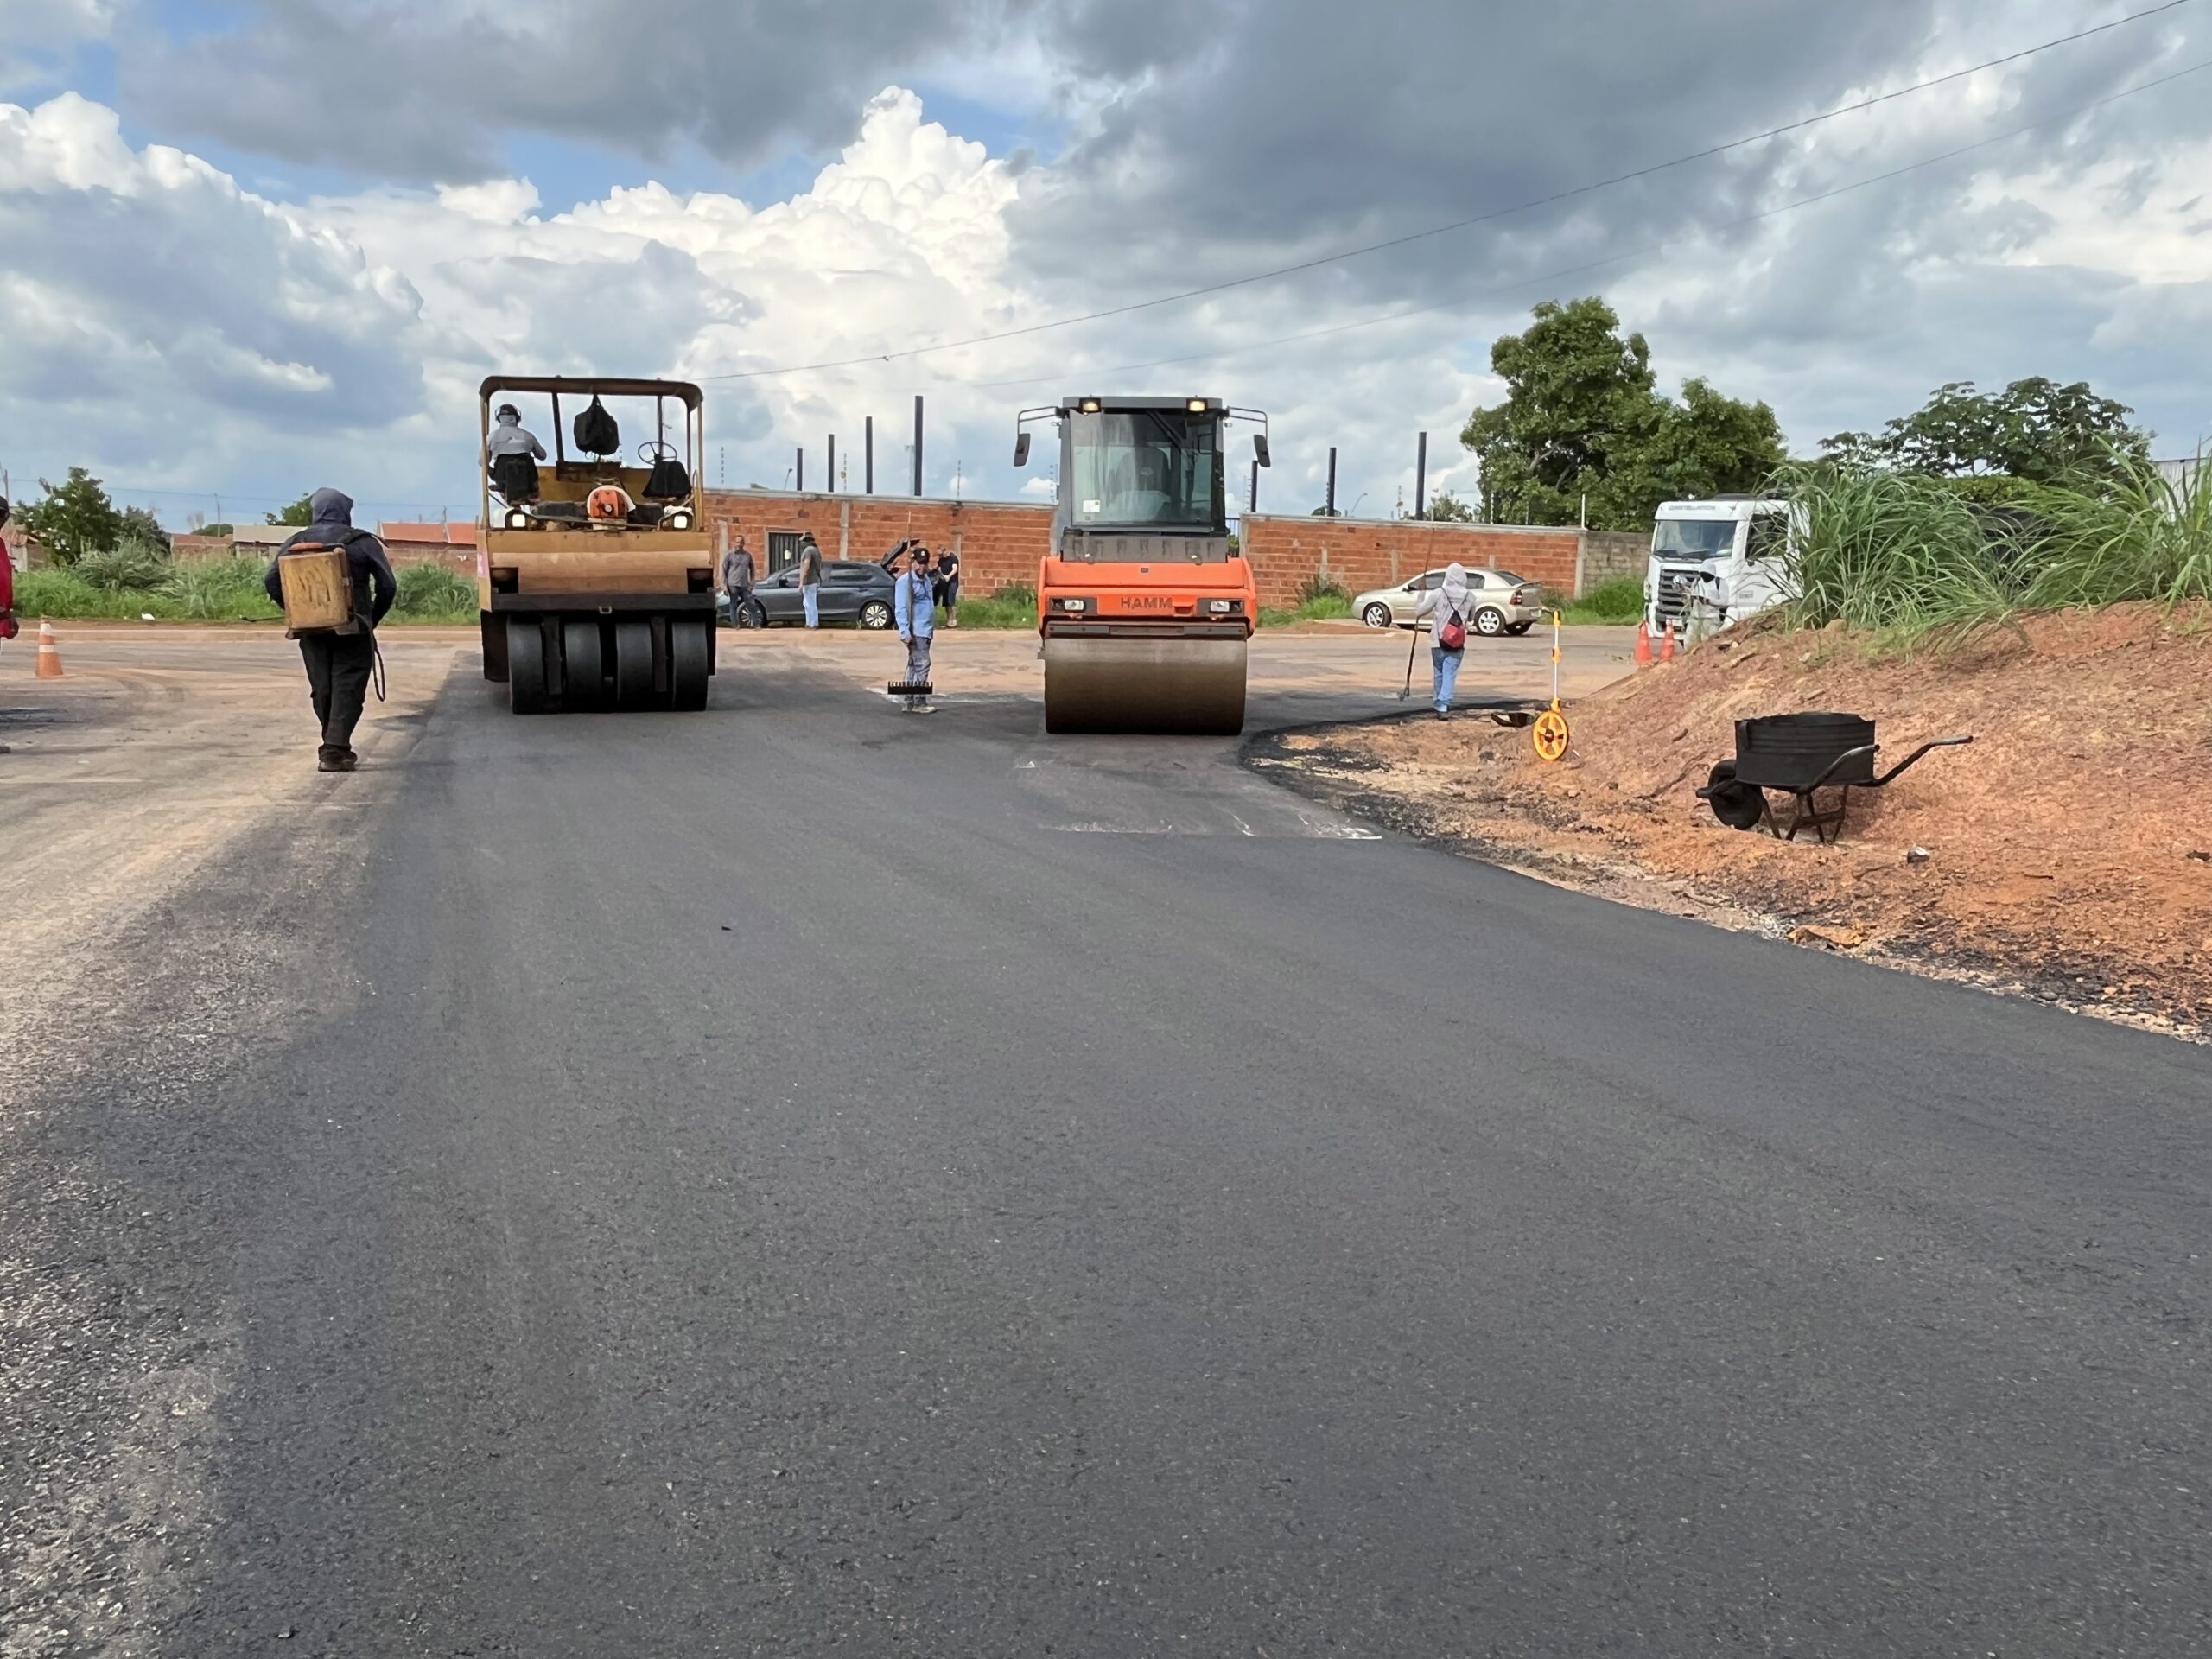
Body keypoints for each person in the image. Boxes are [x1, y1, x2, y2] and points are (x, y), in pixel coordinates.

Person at [261, 488, 396, 772]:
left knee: (322, 686)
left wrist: (298, 611)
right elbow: (388, 585)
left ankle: (332, 744)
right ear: (344, 511)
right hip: (353, 627)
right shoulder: (362, 542)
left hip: (309, 629)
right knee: (347, 684)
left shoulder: (294, 541)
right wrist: (371, 618)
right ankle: (334, 750)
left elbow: (271, 580)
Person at [1413, 562, 1473, 720]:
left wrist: (1420, 594)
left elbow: (1419, 611)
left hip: (1437, 640)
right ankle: (1443, 704)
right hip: (1458, 642)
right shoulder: (1470, 596)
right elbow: (1472, 618)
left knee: (1439, 672)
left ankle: (1438, 703)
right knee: (1450, 673)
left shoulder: (1439, 593)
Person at [893, 543, 935, 713]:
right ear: (913, 563)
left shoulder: (926, 580)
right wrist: (904, 631)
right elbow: (901, 608)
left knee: (914, 665)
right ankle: (919, 701)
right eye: (919, 562)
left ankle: (909, 700)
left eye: (925, 563)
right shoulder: (905, 582)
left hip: (926, 630)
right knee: (923, 664)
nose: (922, 566)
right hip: (915, 631)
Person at [486, 404, 546, 505]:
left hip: (502, 479)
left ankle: (500, 485)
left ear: (499, 419)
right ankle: (534, 496)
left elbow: (482, 461)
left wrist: (491, 471)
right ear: (517, 418)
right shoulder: (528, 436)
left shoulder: (491, 437)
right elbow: (542, 456)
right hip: (528, 481)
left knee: (488, 466)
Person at [721, 533, 756, 628]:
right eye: (737, 542)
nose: (739, 545)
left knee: (750, 602)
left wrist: (752, 581)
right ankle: (735, 624)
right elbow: (724, 570)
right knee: (733, 604)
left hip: (744, 584)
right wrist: (724, 585)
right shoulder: (729, 555)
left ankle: (755, 623)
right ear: (734, 543)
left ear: (743, 543)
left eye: (741, 543)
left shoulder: (747, 556)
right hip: (732, 584)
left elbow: (752, 569)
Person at [931, 541, 961, 628]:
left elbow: (955, 569)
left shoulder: (953, 558)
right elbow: (940, 568)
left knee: (951, 600)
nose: (940, 556)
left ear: (944, 551)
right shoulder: (941, 559)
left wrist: (948, 576)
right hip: (944, 582)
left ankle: (954, 620)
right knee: (945, 601)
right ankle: (949, 620)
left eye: (940, 553)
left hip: (952, 582)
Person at [798, 532, 823, 628]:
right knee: (807, 603)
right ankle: (809, 622)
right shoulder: (816, 551)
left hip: (809, 581)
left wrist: (801, 582)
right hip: (814, 580)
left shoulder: (808, 551)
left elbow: (806, 566)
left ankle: (813, 623)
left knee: (810, 603)